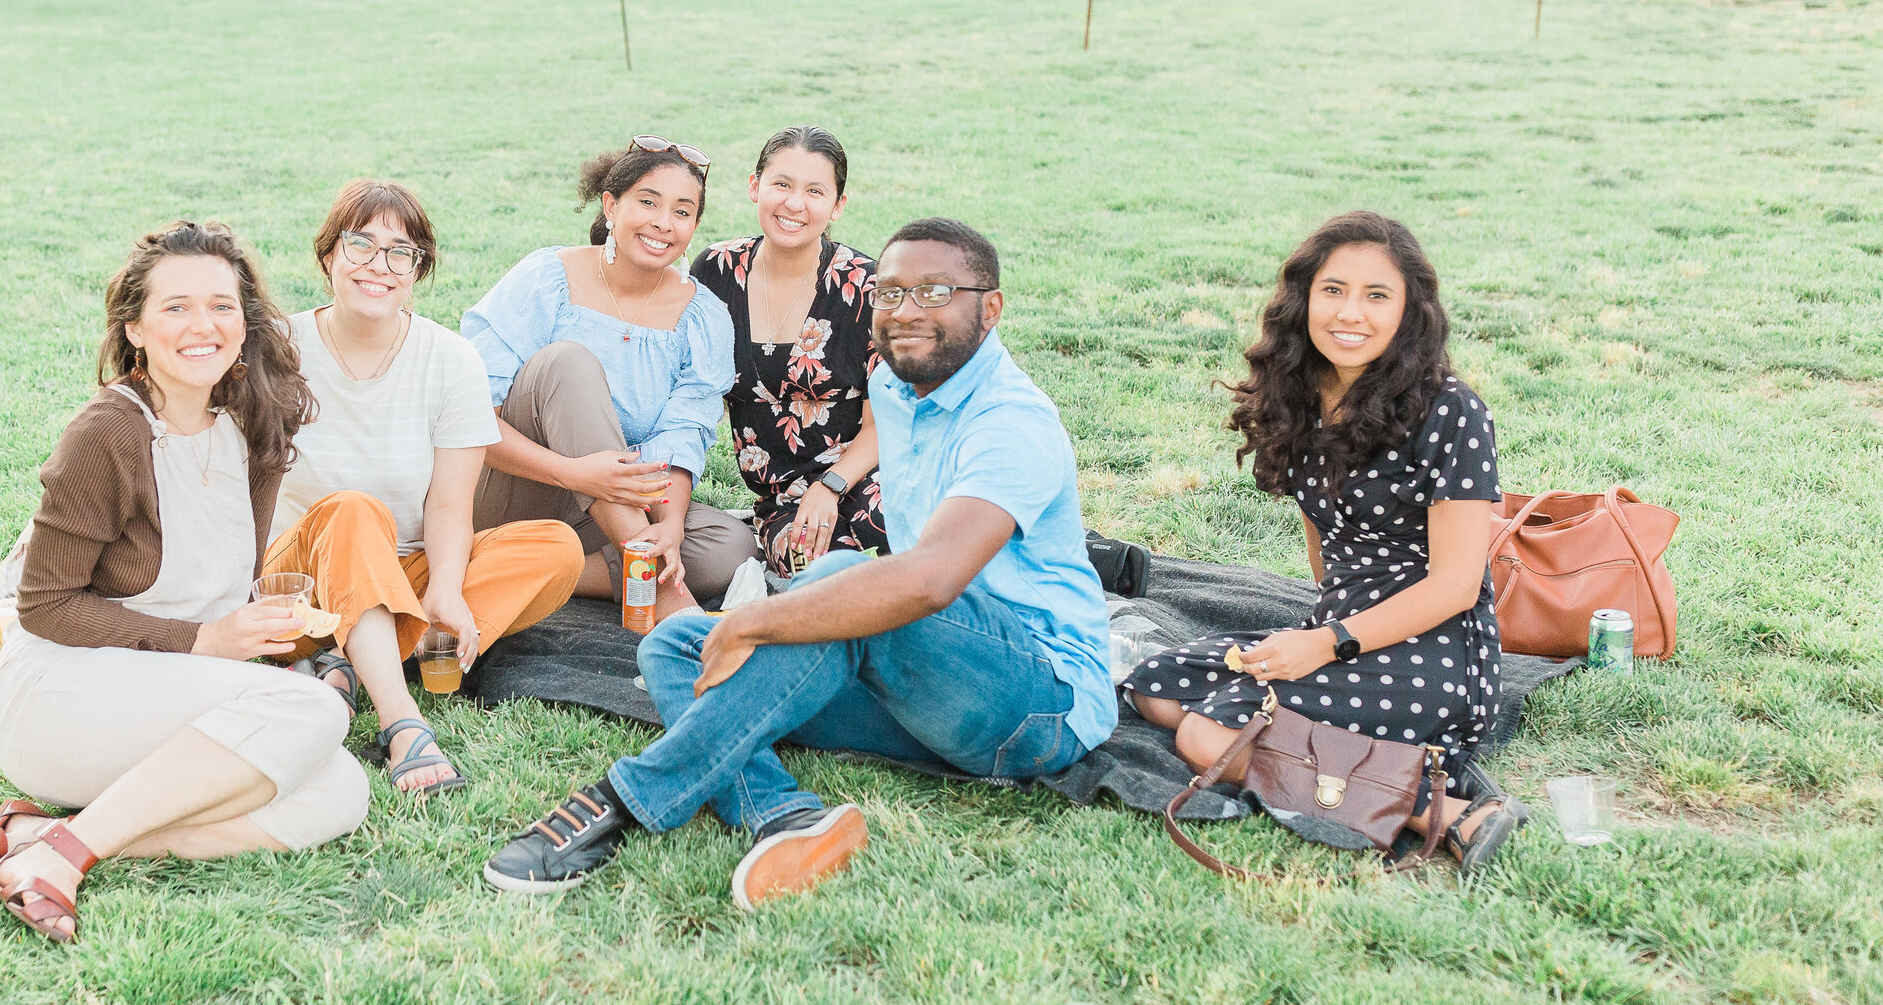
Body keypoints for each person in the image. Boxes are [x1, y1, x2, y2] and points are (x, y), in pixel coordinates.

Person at [483, 218, 1113, 908]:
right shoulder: (899, 390)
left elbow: (929, 580)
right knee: (676, 643)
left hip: (1036, 707)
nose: (905, 312)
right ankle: (782, 816)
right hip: (919, 695)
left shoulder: (1011, 420)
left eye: (934, 292)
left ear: (990, 308)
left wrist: (757, 622)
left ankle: (622, 800)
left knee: (841, 583)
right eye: (890, 293)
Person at [0, 221, 366, 944]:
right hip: (64, 690)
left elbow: (224, 582)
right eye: (176, 307)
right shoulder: (108, 434)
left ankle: (41, 835)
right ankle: (62, 859)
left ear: (244, 322)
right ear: (135, 328)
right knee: (314, 712)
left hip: (167, 687)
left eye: (220, 305)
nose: (202, 325)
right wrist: (206, 639)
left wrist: (249, 631)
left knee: (342, 789)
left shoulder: (253, 423)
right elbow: (46, 605)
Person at [1118, 211, 1527, 873]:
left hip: (1434, 646)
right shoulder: (1298, 396)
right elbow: (1325, 552)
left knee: (1207, 734)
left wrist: (1326, 645)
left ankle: (1447, 810)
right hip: (1340, 626)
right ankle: (1355, 758)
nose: (1350, 313)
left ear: (1410, 310)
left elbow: (1456, 586)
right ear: (1303, 297)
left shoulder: (1451, 411)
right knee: (1155, 687)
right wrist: (1320, 636)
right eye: (1333, 290)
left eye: (1376, 295)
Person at [263, 180, 584, 794]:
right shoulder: (277, 349)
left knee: (556, 548)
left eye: (400, 252)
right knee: (353, 510)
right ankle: (401, 721)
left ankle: (346, 661)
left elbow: (449, 504)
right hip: (299, 583)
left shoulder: (451, 359)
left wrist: (445, 587)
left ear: (418, 270)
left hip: (403, 570)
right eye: (361, 244)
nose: (378, 265)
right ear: (328, 255)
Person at [464, 138, 756, 618]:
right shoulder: (547, 278)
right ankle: (665, 594)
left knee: (729, 546)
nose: (663, 223)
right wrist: (572, 473)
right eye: (648, 202)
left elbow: (682, 434)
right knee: (567, 363)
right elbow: (469, 422)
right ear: (610, 205)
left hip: (603, 512)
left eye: (682, 212)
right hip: (513, 490)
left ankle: (520, 571)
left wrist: (671, 528)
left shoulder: (702, 316)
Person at [690, 127, 884, 576]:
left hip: (867, 476)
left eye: (815, 191)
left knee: (911, 541)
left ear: (838, 205)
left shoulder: (866, 287)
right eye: (782, 184)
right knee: (818, 576)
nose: (795, 204)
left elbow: (887, 423)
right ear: (754, 186)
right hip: (783, 503)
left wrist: (830, 486)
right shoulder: (717, 271)